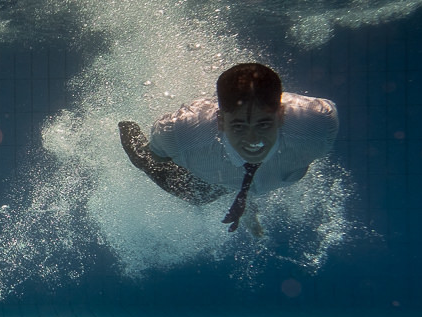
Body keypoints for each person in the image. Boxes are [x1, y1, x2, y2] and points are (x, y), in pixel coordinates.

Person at [118, 62, 338, 235]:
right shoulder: (182, 134)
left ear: (281, 116)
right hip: (215, 174)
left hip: (233, 171)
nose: (253, 139)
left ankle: (245, 198)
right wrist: (152, 155)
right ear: (221, 121)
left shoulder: (317, 127)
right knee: (157, 167)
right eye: (239, 126)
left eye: (263, 124)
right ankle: (124, 121)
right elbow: (158, 153)